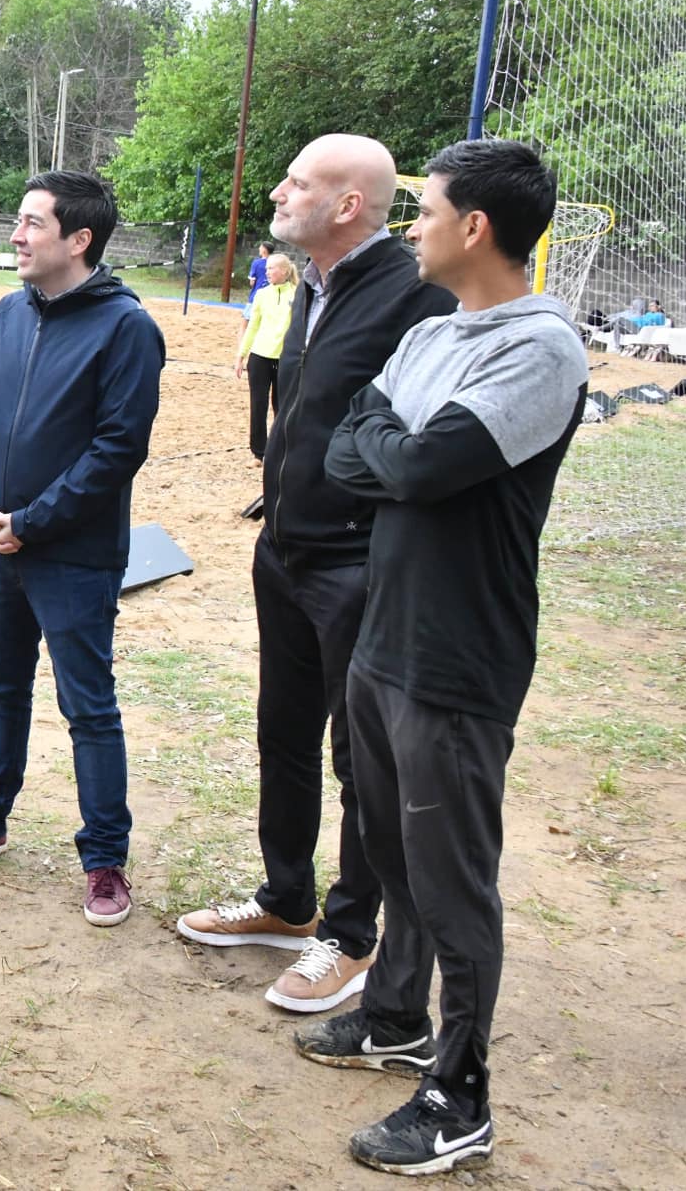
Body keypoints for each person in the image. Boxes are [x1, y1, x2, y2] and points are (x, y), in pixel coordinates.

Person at [297, 139, 584, 1177]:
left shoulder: (540, 346)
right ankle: (390, 1019)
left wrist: (390, 450)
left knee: (452, 876)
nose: (408, 225)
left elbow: (415, 464)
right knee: (390, 841)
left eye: (423, 210)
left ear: (473, 229)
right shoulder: (434, 332)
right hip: (385, 634)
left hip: (458, 654)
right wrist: (392, 450)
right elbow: (344, 443)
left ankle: (458, 1095)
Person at [176, 134, 457, 1012]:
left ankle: (350, 935)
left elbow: (420, 442)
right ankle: (286, 901)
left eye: (297, 183)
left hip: (358, 563)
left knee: (360, 757)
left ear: (347, 206)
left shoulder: (419, 296)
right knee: (281, 733)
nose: (276, 191)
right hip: (286, 553)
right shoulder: (310, 288)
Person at [0, 171, 164, 929]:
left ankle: (105, 860)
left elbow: (119, 450)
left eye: (31, 224)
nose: (15, 236)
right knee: (0, 684)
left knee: (88, 705)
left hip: (74, 554)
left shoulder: (127, 329)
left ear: (78, 239)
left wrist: (34, 520)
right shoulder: (7, 315)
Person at [235, 255, 300, 462]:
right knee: (258, 404)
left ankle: (280, 448)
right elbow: (253, 325)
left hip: (285, 358)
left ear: (284, 271)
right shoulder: (262, 294)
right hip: (260, 357)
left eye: (272, 268)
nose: (268, 271)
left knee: (282, 406)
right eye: (268, 268)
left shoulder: (297, 294)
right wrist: (241, 354)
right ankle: (259, 451)